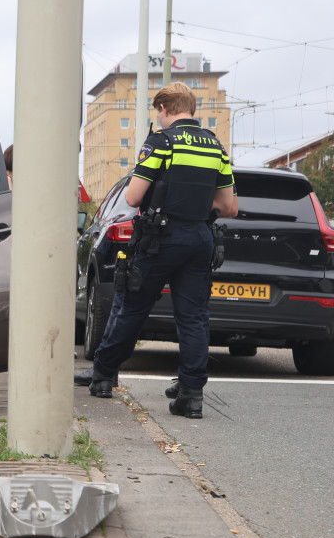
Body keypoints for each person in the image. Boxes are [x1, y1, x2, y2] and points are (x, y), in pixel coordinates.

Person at [83, 82, 236, 419]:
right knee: (194, 317)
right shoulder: (216, 147)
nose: (158, 118)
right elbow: (229, 206)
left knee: (133, 307)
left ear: (165, 109)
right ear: (190, 108)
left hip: (161, 238)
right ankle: (191, 394)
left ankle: (104, 376)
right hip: (200, 238)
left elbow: (134, 197)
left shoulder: (162, 142)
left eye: (158, 112)